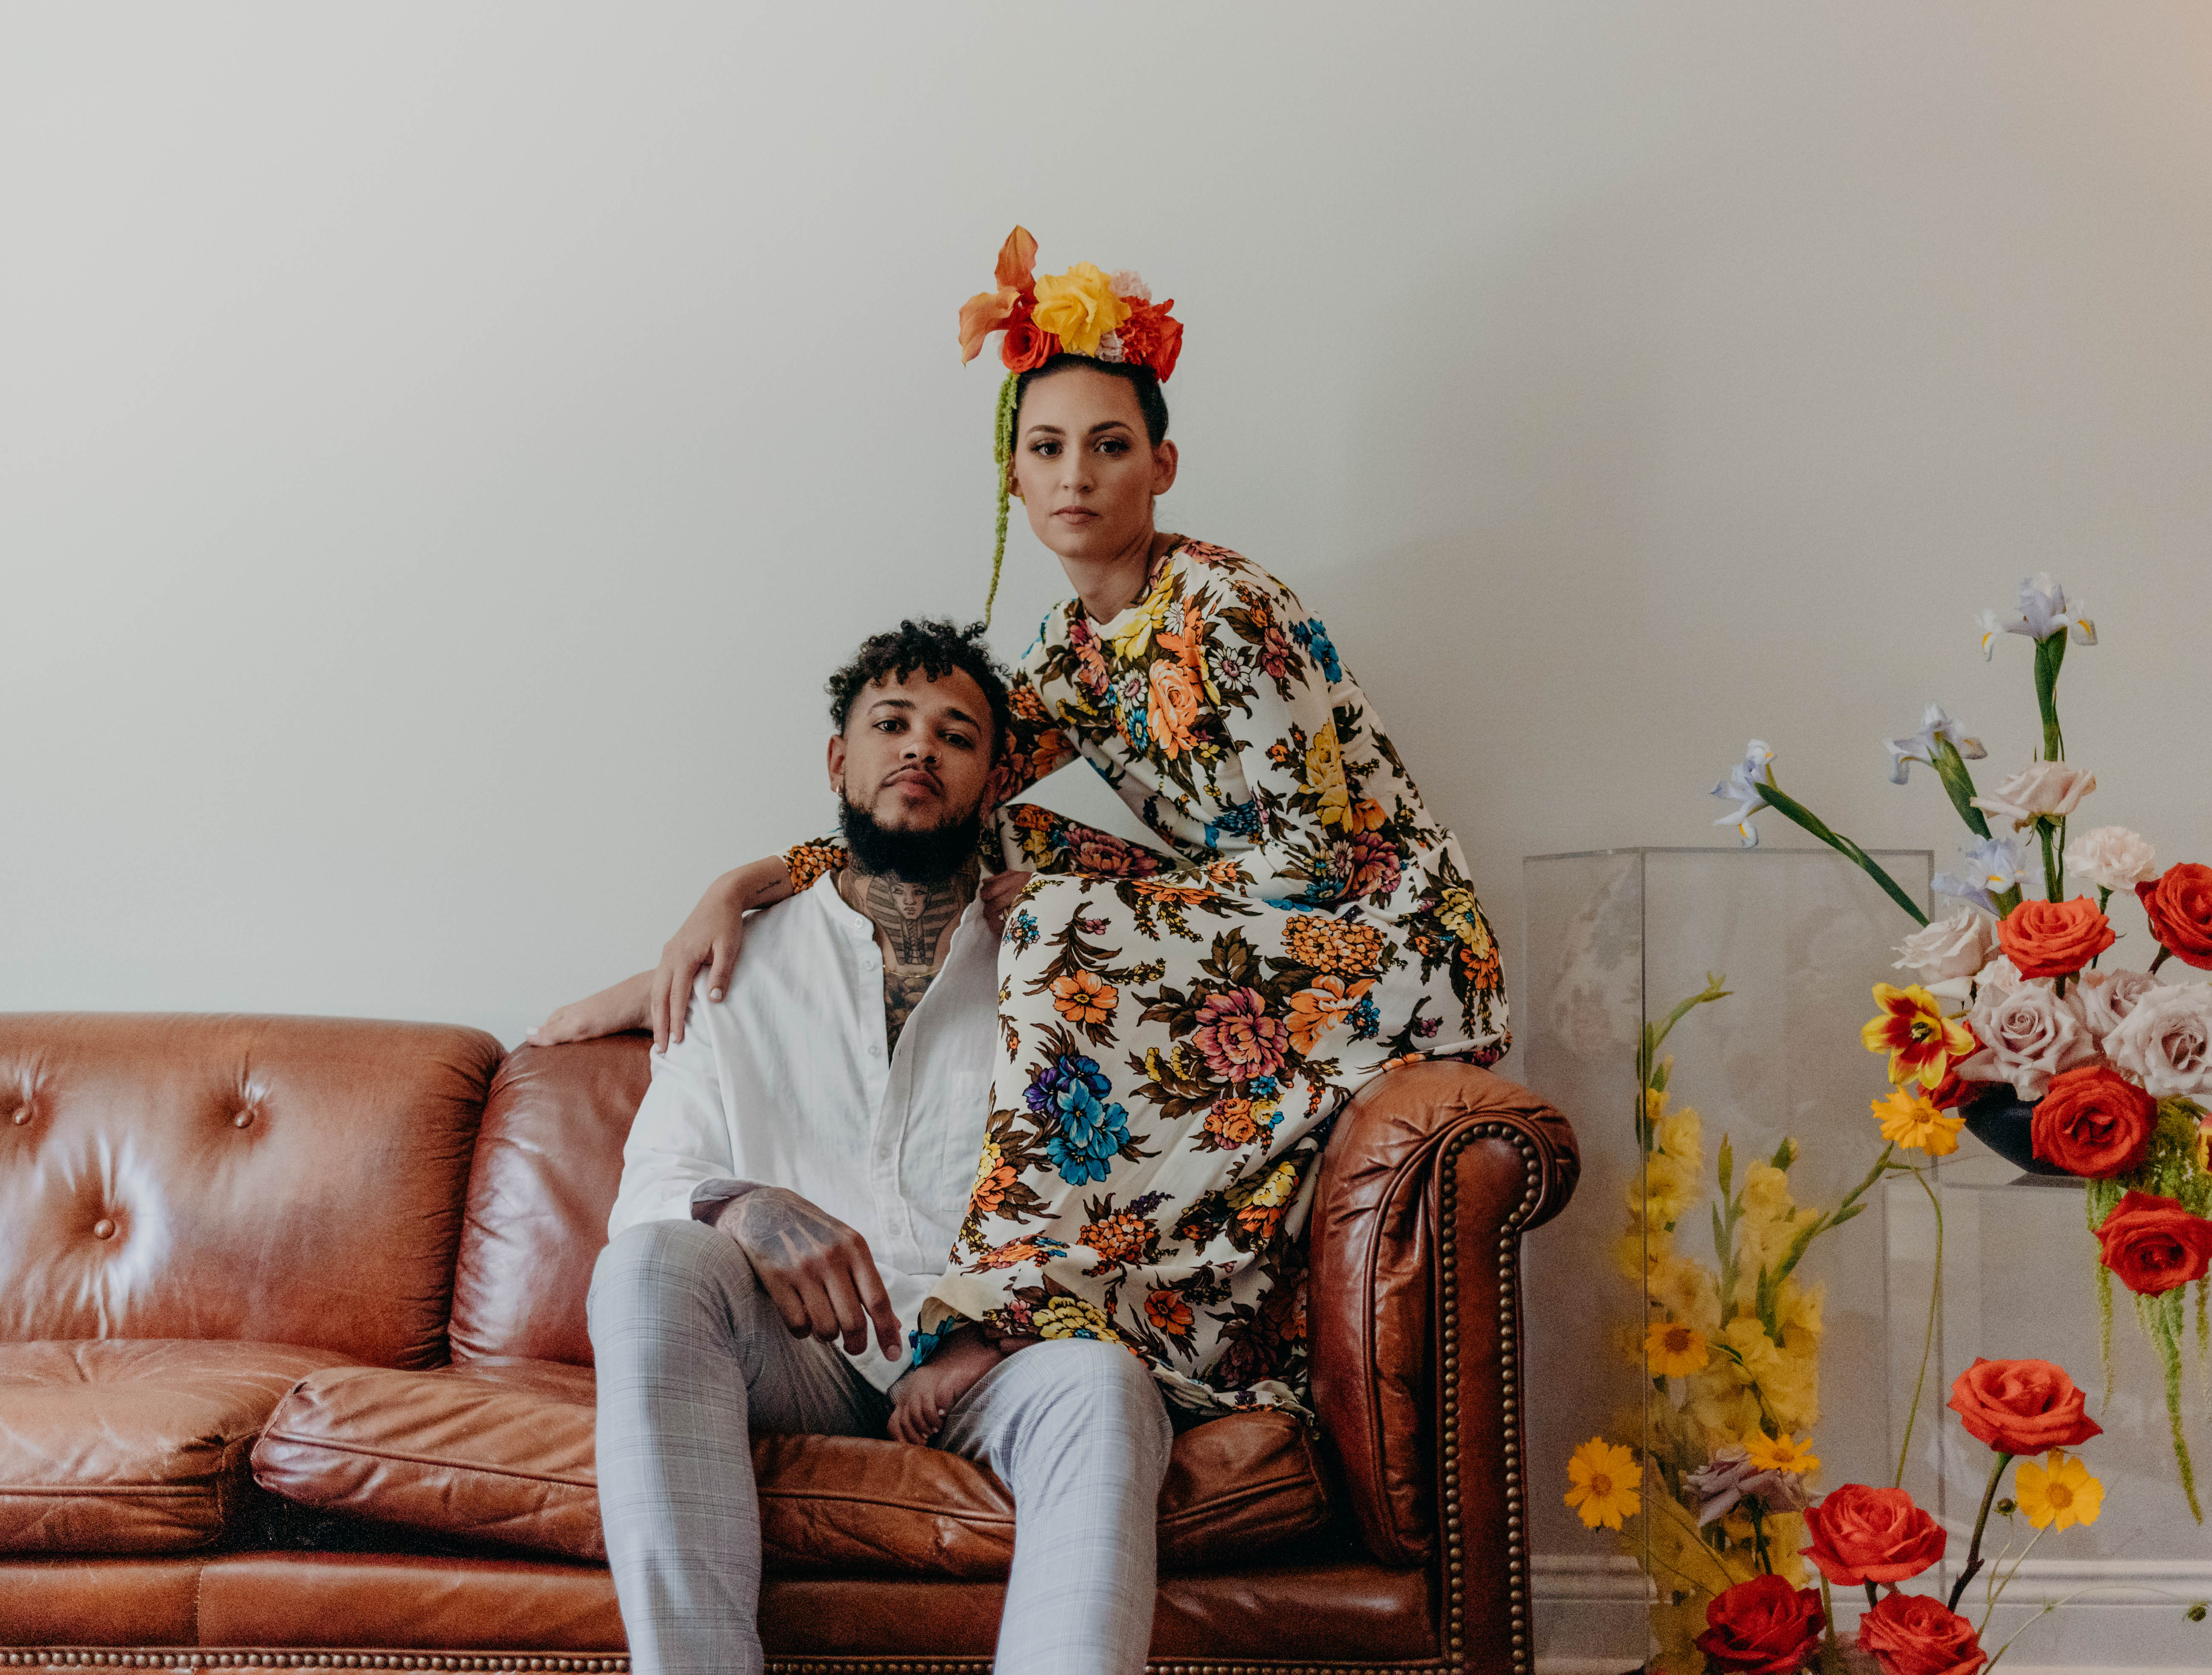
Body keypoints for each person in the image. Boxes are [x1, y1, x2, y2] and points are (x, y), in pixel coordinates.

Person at [549, 225, 1510, 1424]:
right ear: (1013, 476)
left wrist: (1094, 909)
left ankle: (1001, 1311)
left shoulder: (1224, 610)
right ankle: (1021, 1263)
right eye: (1046, 448)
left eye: (1109, 446)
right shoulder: (1068, 651)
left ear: (1161, 466)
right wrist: (728, 899)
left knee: (1052, 913)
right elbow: (941, 800)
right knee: (1002, 834)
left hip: (1387, 938)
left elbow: (1317, 869)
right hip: (1235, 920)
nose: (1076, 477)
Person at [586, 620, 1172, 1675]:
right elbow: (651, 1188)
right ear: (838, 760)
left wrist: (991, 1331)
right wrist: (748, 1205)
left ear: (994, 782)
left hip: (989, 1363)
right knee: (651, 1263)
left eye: (955, 734)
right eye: (891, 723)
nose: (918, 748)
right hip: (795, 1349)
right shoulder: (734, 964)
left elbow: (1131, 1194)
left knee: (1102, 1385)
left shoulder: (1063, 961)